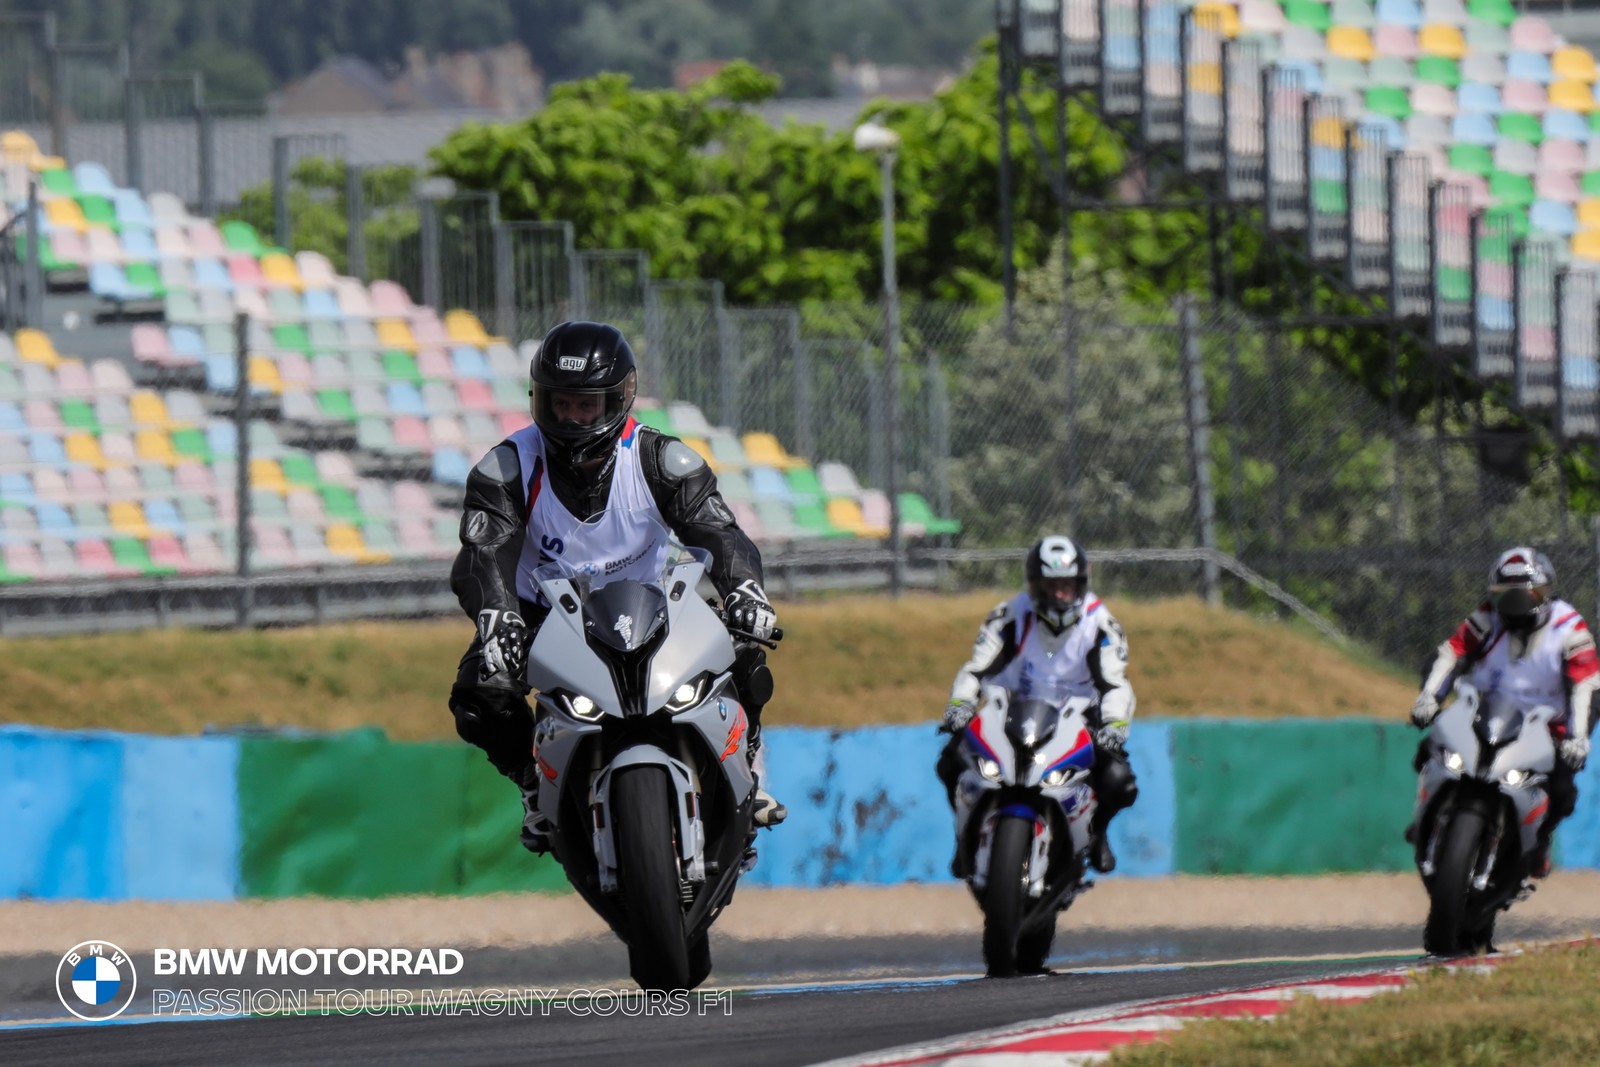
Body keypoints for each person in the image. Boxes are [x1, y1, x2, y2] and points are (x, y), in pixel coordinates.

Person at [447, 319, 787, 853]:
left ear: (619, 398)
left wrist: (746, 590)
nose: (573, 417)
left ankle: (747, 767)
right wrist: (497, 617)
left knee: (744, 648)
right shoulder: (505, 468)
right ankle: (535, 787)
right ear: (541, 401)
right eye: (561, 404)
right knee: (480, 693)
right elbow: (482, 555)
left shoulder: (662, 459)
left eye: (587, 404)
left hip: (657, 603)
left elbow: (721, 535)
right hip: (542, 611)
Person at [935, 535, 1139, 874]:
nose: (1060, 594)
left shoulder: (1101, 624)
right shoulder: (1009, 616)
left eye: (1067, 585)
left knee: (1119, 780)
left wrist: (1115, 725)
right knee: (950, 762)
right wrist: (960, 705)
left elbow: (1115, 683)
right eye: (1050, 585)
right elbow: (977, 668)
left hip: (1078, 719)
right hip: (1012, 714)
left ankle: (1097, 832)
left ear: (1081, 584)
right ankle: (964, 838)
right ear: (1034, 586)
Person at [1410, 546, 1597, 878]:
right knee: (1427, 749)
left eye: (1525, 596)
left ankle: (1538, 841)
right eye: (1506, 597)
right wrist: (1428, 697)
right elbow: (1450, 654)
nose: (1516, 607)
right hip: (1482, 716)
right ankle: (1426, 814)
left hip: (1545, 727)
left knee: (1564, 791)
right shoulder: (1484, 620)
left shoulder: (1570, 628)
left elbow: (1585, 684)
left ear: (1545, 592)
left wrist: (1578, 737)